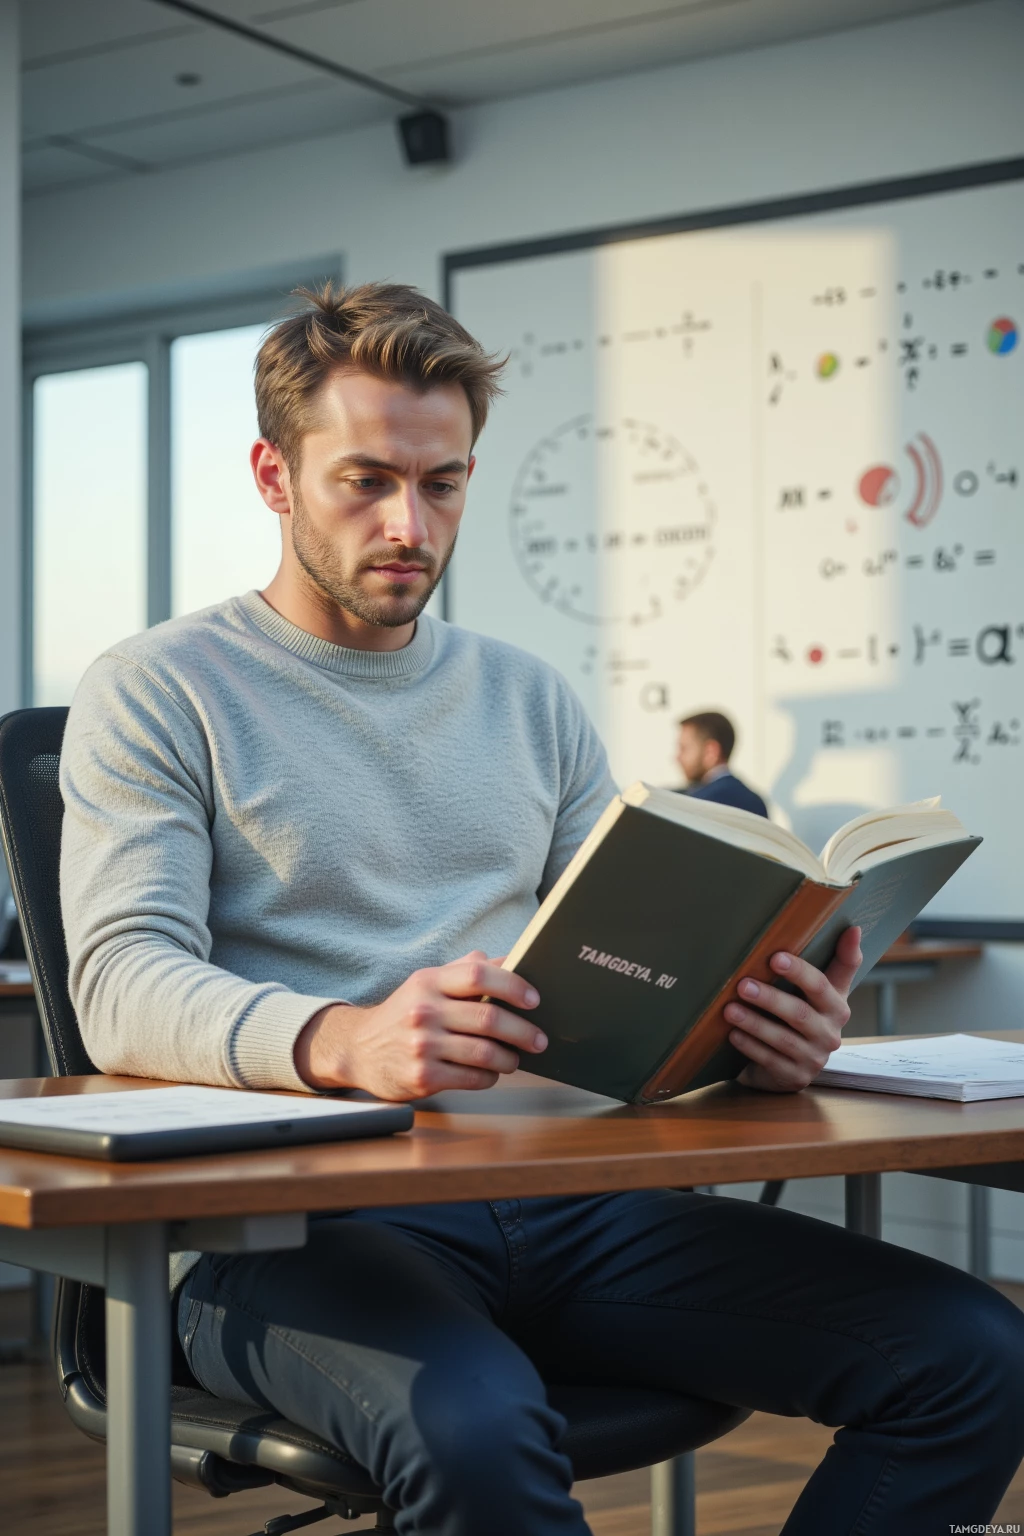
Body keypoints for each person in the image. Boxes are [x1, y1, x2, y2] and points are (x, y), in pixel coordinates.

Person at [60, 283, 1024, 1536]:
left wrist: (757, 1040)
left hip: (569, 1193)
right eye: (365, 481)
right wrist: (340, 1039)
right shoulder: (158, 688)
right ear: (272, 474)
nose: (410, 524)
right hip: (287, 1223)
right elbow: (120, 982)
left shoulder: (528, 698)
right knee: (474, 1427)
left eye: (443, 484)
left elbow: (622, 970)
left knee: (971, 1353)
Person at [676, 710, 769, 816]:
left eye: (684, 749)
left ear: (711, 751)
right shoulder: (755, 801)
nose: (677, 758)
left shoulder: (698, 804)